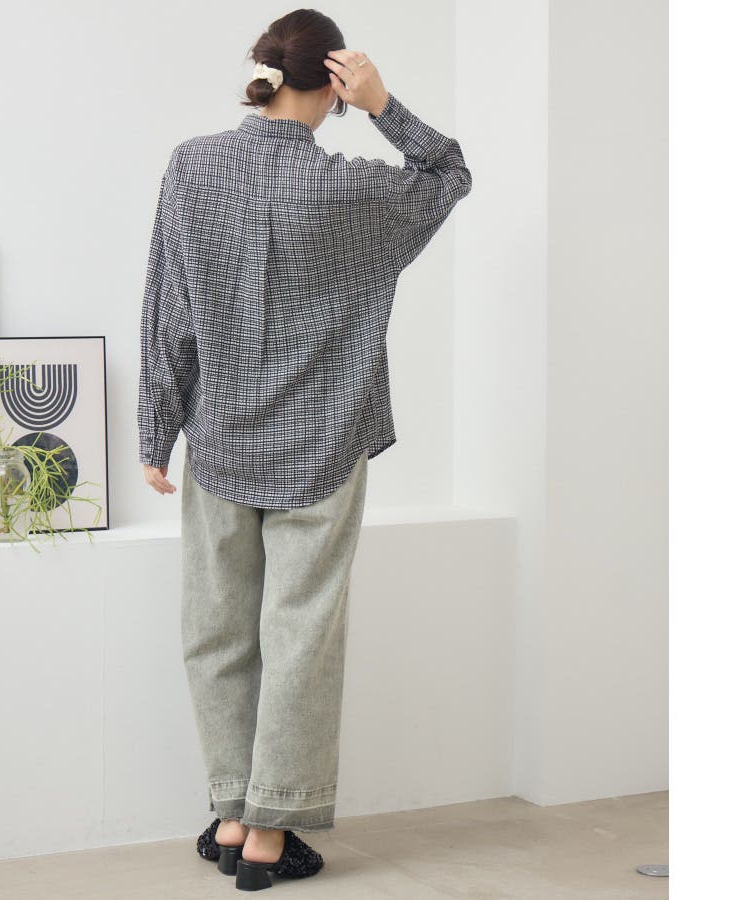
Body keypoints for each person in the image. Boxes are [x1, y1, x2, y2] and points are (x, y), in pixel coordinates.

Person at [137, 8, 472, 890]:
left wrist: (155, 429)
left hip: (219, 440)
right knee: (300, 638)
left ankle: (231, 811)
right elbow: (449, 171)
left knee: (216, 632)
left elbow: (167, 304)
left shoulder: (193, 166)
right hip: (321, 446)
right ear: (332, 84)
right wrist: (385, 104)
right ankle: (269, 834)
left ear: (266, 74)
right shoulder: (352, 190)